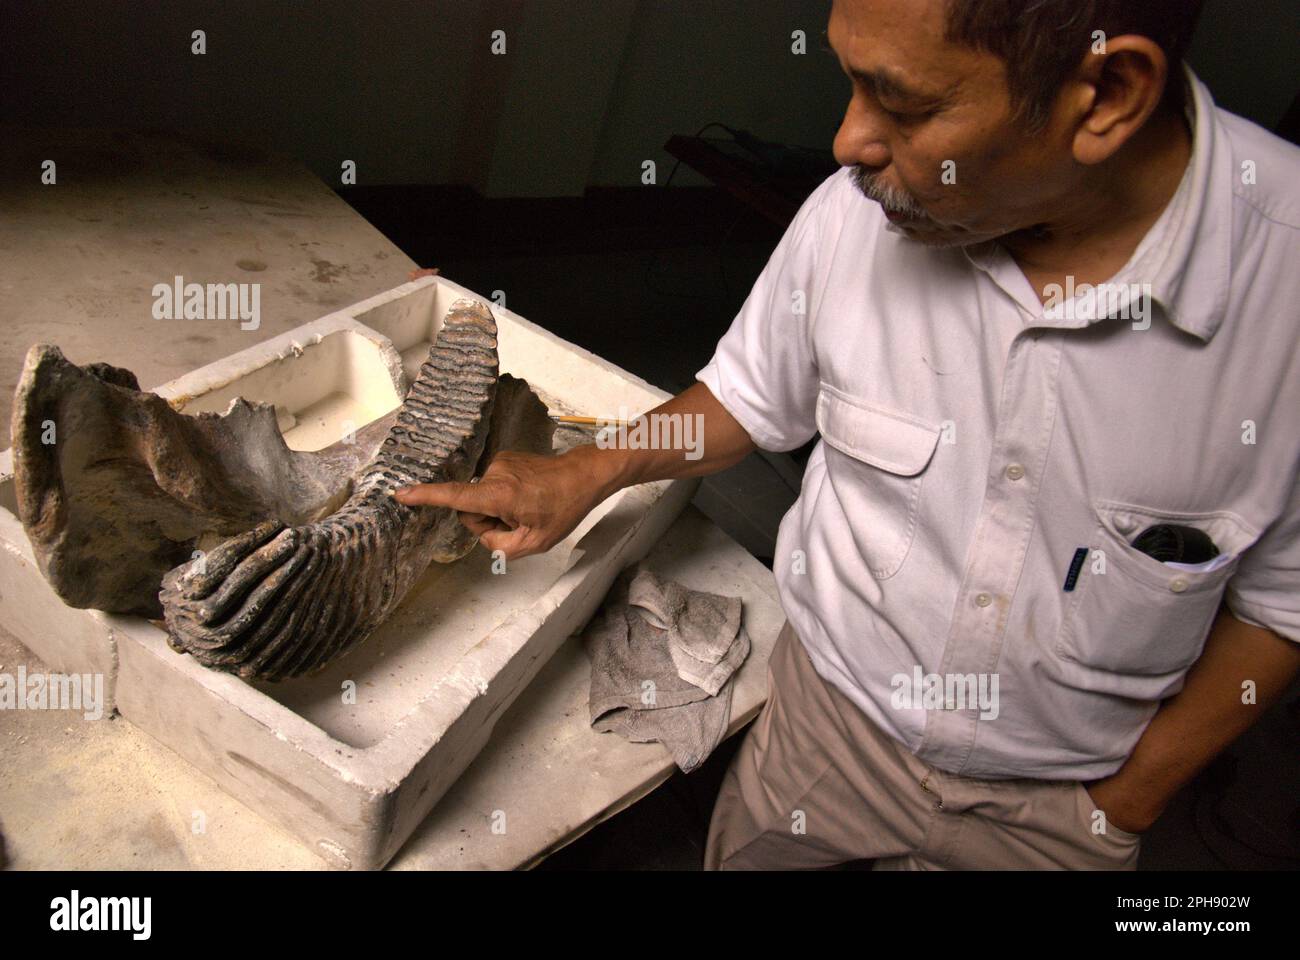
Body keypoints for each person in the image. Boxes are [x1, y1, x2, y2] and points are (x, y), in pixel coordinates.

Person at [394, 0, 1300, 869]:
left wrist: (1121, 807)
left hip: (1065, 802)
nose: (847, 142)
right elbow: (747, 399)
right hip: (824, 723)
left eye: (902, 104)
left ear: (1107, 95)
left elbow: (1281, 610)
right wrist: (584, 472)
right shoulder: (854, 214)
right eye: (849, 81)